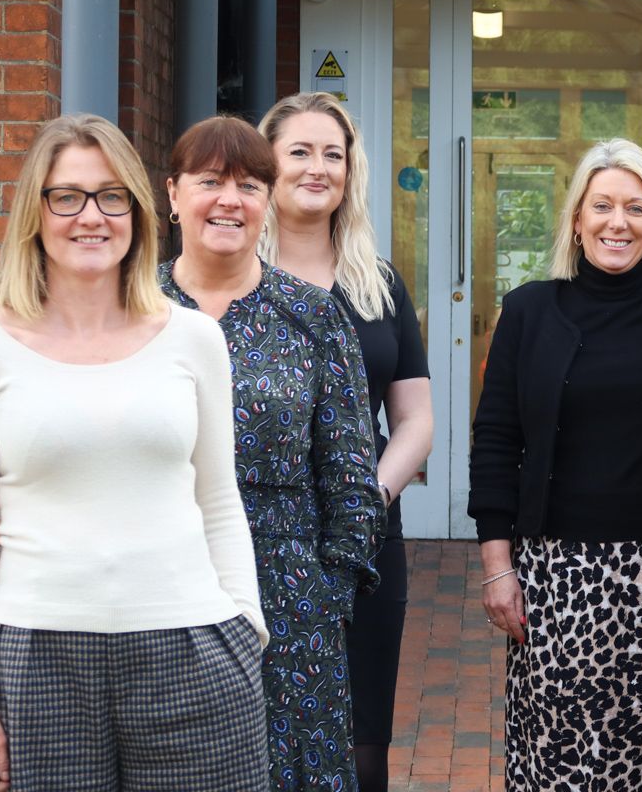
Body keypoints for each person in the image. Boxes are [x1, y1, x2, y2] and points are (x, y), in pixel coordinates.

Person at [0, 115, 267, 792]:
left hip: (193, 649)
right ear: (35, 210)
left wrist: (247, 630)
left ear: (138, 210)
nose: (90, 216)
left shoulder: (193, 340)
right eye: (67, 196)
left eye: (111, 195)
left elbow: (218, 499)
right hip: (38, 666)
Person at [469, 138, 642, 791]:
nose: (619, 222)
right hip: (558, 579)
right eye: (603, 206)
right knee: (565, 761)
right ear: (578, 220)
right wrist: (497, 569)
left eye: (636, 209)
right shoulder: (530, 311)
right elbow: (496, 439)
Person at [159, 115, 384, 792]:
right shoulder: (135, 309)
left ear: (267, 202)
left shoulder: (312, 317)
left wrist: (328, 594)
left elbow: (350, 473)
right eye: (209, 182)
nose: (230, 199)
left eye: (250, 185)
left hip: (289, 595)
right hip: (162, 586)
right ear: (173, 195)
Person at [259, 92, 433, 792]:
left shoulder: (378, 283)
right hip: (258, 536)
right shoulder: (231, 281)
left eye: (334, 154)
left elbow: (416, 418)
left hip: (365, 540)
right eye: (299, 151)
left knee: (364, 745)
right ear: (265, 166)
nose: (318, 167)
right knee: (264, 737)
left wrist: (369, 498)